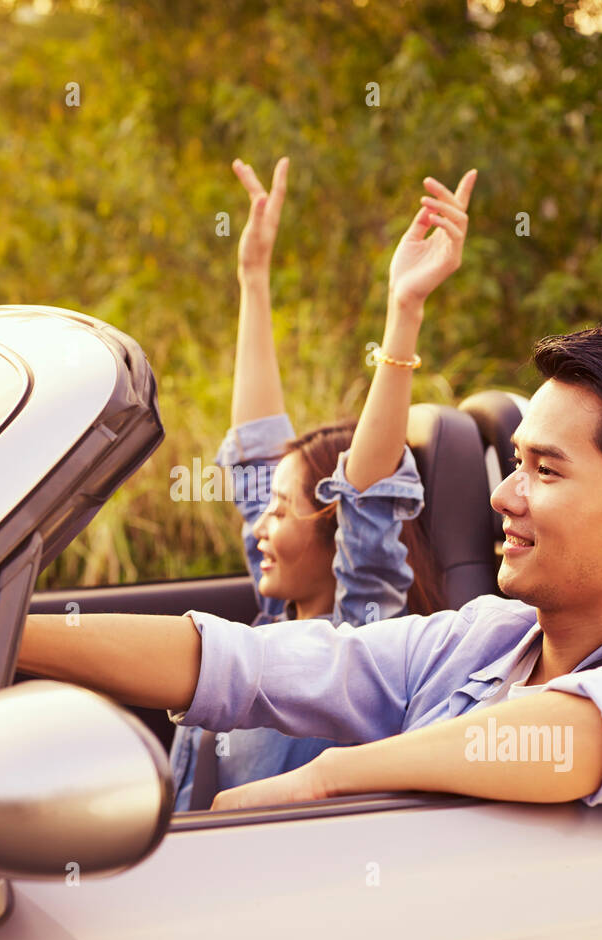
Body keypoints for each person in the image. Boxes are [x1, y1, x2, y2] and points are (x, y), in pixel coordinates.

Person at [19, 316, 602, 812]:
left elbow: (582, 730)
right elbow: (246, 659)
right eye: (515, 463)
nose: (504, 496)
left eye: (545, 470)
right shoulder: (480, 637)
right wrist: (2, 633)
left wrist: (323, 779)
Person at [166, 157, 473, 810]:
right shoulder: (279, 614)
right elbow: (256, 452)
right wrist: (252, 278)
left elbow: (367, 500)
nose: (258, 525)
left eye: (279, 512)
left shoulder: (358, 641)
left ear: (335, 530)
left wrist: (404, 308)